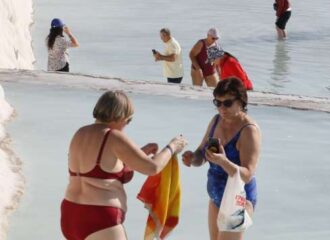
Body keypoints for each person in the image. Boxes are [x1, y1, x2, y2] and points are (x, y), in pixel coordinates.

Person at [61, 91, 187, 240]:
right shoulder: (113, 136)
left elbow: (102, 171)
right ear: (120, 116)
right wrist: (172, 147)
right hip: (100, 218)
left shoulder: (79, 134)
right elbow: (152, 168)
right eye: (128, 120)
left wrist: (141, 153)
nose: (126, 125)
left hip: (70, 214)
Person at [181, 78, 261, 240]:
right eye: (217, 103)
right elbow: (202, 155)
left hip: (238, 198)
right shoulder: (216, 121)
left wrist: (223, 161)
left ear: (241, 101)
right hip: (217, 196)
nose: (222, 108)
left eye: (228, 103)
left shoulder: (248, 131)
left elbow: (247, 175)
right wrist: (192, 159)